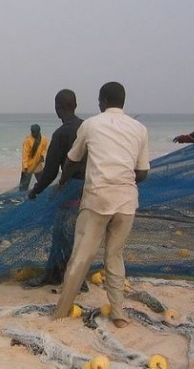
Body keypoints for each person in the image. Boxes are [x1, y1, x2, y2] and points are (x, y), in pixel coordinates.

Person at [54, 82, 150, 329]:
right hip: (127, 201)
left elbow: (73, 160)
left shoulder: (91, 124)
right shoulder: (139, 129)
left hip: (97, 199)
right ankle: (119, 314)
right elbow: (142, 172)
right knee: (114, 256)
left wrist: (62, 181)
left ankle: (61, 312)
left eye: (99, 100)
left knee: (81, 257)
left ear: (103, 101)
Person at [25, 89, 86, 291]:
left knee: (62, 234)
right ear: (75, 105)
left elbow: (50, 172)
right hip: (91, 192)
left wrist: (35, 190)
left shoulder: (61, 133)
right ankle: (67, 275)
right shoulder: (87, 128)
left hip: (70, 192)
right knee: (77, 237)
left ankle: (66, 278)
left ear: (57, 108)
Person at [19, 124, 49, 191]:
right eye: (32, 132)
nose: (33, 133)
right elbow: (25, 154)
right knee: (24, 185)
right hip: (28, 166)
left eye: (35, 132)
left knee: (42, 182)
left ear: (39, 131)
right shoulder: (28, 140)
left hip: (38, 165)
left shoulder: (44, 139)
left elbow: (44, 149)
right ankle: (21, 196)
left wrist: (42, 155)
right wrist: (25, 166)